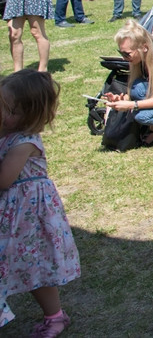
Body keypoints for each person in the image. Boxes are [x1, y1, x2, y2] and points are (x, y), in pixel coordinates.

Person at [0, 70, 80, 336]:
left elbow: (4, 180)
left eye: (7, 110)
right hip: (10, 215)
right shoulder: (6, 132)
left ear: (30, 115)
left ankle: (55, 317)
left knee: (36, 267)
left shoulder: (24, 142)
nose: (1, 113)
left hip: (27, 218)